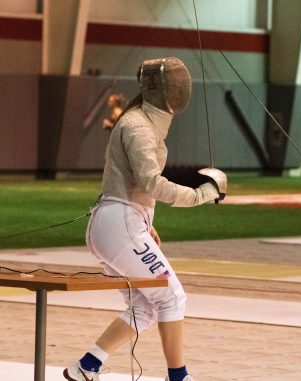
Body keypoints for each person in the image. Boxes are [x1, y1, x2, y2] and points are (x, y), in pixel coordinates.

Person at [63, 57, 226, 381]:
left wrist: (144, 223)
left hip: (120, 222)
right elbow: (151, 182)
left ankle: (86, 366)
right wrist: (200, 195)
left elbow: (132, 182)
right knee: (171, 295)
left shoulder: (140, 122)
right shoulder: (137, 125)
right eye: (176, 85)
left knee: (146, 306)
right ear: (165, 91)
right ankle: (178, 377)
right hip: (118, 222)